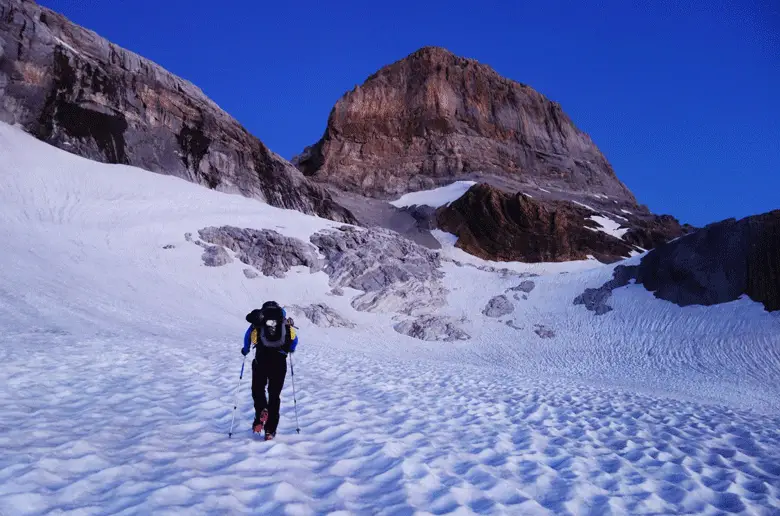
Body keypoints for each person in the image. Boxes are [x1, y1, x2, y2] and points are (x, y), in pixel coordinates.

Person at [241, 301, 298, 440]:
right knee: (274, 395)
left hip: (261, 360)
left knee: (258, 389)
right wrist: (289, 349)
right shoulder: (284, 322)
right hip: (279, 363)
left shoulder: (259, 321)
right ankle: (270, 431)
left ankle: (261, 410)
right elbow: (294, 342)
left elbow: (247, 337)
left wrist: (245, 350)